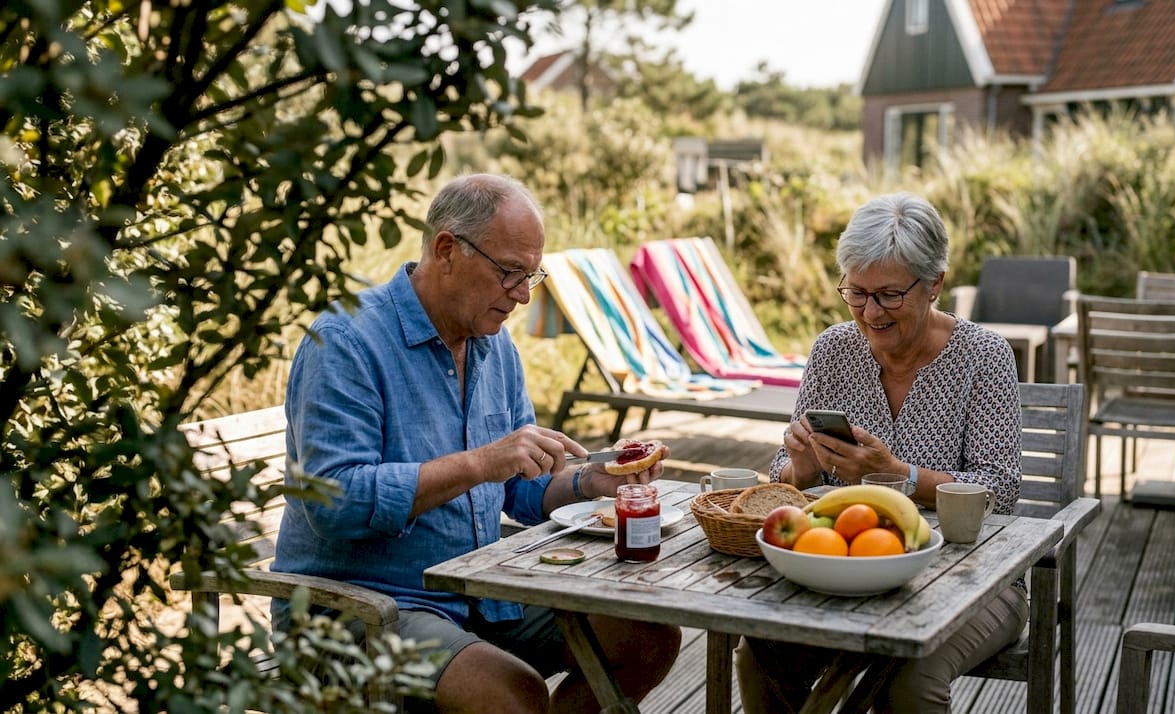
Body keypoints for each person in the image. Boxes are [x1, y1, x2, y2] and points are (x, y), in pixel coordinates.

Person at [271, 173, 681, 713]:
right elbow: (336, 502)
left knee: (647, 635)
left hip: (475, 593)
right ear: (446, 250)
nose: (522, 295)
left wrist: (587, 482)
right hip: (359, 609)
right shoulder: (347, 340)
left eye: (531, 274)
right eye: (510, 272)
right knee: (510, 692)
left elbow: (519, 488)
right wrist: (479, 464)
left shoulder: (493, 345)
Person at [735, 192, 1024, 713]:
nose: (870, 312)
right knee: (759, 654)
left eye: (890, 295)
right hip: (844, 564)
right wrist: (797, 468)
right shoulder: (833, 349)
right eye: (857, 293)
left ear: (934, 283)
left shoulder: (984, 356)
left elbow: (1000, 492)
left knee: (906, 683)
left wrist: (899, 476)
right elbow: (782, 477)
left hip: (972, 577)